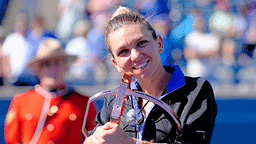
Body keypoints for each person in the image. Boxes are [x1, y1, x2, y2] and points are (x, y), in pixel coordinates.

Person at [83, 6, 217, 144]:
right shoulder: (115, 99)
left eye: (141, 43)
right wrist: (95, 139)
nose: (135, 56)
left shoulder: (196, 90)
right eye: (123, 51)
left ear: (159, 43)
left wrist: (129, 142)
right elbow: (89, 139)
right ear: (115, 64)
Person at [4, 38, 98, 144]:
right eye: (47, 64)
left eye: (57, 63)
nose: (53, 69)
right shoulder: (21, 101)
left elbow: (94, 138)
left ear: (65, 67)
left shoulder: (84, 103)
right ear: (39, 69)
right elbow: (12, 140)